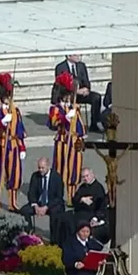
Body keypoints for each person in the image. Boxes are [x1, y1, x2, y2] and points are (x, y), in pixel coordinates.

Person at [0, 72, 26, 212]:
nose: (9, 99)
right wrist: (1, 122)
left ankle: (12, 202)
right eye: (7, 96)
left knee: (14, 175)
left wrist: (22, 148)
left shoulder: (16, 111)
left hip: (13, 146)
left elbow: (20, 131)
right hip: (0, 145)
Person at [49, 71, 84, 206]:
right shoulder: (56, 109)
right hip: (63, 141)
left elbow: (80, 126)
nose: (69, 98)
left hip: (73, 142)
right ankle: (59, 196)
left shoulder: (74, 107)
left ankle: (72, 197)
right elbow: (53, 122)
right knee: (61, 169)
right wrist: (65, 118)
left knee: (73, 169)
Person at [19, 157, 65, 242]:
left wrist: (46, 207)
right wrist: (35, 206)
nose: (40, 170)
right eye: (39, 167)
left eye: (42, 168)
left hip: (52, 203)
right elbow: (31, 193)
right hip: (39, 203)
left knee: (56, 212)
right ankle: (29, 236)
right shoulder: (35, 176)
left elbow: (59, 197)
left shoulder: (57, 177)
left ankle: (54, 240)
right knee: (24, 210)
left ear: (48, 166)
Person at [54, 55, 102, 132]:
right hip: (68, 95)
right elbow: (60, 86)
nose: (79, 56)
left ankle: (94, 124)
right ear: (69, 56)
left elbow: (86, 81)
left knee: (96, 97)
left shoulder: (81, 66)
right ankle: (68, 123)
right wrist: (75, 91)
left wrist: (86, 89)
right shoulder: (60, 67)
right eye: (76, 55)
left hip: (81, 94)